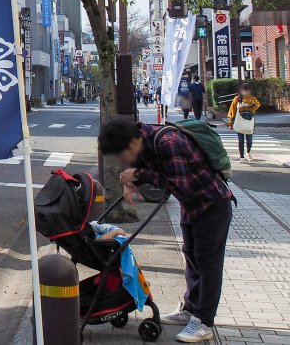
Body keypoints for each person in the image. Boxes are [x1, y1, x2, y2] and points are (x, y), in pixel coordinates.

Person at [98, 118, 233, 343]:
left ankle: (204, 321)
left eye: (122, 157)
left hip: (211, 204)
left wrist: (139, 175)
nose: (123, 162)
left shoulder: (168, 142)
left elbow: (179, 184)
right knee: (191, 256)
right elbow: (149, 169)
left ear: (131, 145)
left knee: (208, 263)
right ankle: (190, 309)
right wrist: (131, 180)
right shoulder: (143, 141)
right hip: (192, 207)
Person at [227, 82, 261, 162]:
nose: (246, 92)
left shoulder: (252, 99)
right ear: (241, 90)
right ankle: (241, 157)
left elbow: (256, 106)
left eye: (247, 90)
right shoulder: (237, 99)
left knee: (249, 141)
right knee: (241, 140)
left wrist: (247, 99)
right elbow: (232, 111)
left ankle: (248, 152)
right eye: (244, 90)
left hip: (249, 122)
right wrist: (230, 123)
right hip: (239, 123)